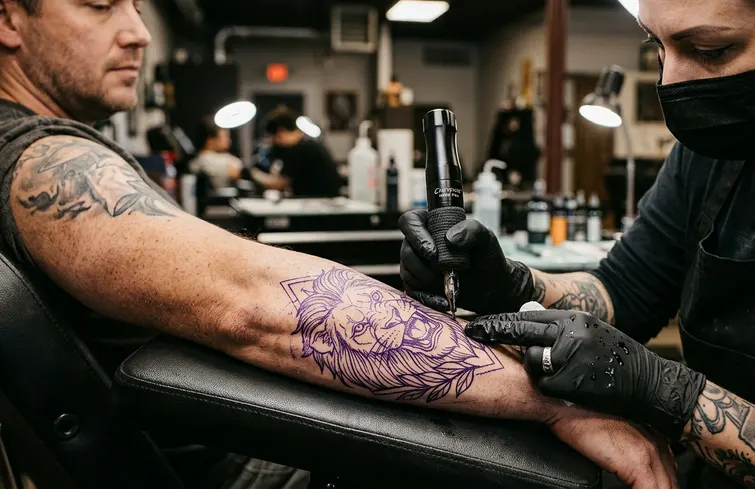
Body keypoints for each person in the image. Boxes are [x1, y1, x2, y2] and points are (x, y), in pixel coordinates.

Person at [0, 1, 676, 488]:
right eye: (99, 5)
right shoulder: (42, 165)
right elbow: (254, 299)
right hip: (246, 460)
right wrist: (562, 396)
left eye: (137, 6)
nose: (138, 32)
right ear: (8, 21)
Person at [399, 0, 755, 488]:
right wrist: (510, 284)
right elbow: (624, 290)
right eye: (657, 46)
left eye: (710, 48)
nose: (670, 83)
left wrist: (668, 394)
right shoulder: (716, 151)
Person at [264, 106, 342, 198]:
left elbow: (279, 183)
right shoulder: (309, 144)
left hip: (318, 203)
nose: (277, 143)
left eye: (276, 138)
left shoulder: (300, 149)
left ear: (282, 131)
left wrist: (253, 174)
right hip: (322, 201)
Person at [189, 117, 243, 191]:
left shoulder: (199, 159)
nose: (229, 141)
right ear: (210, 140)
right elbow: (237, 171)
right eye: (225, 136)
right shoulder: (206, 160)